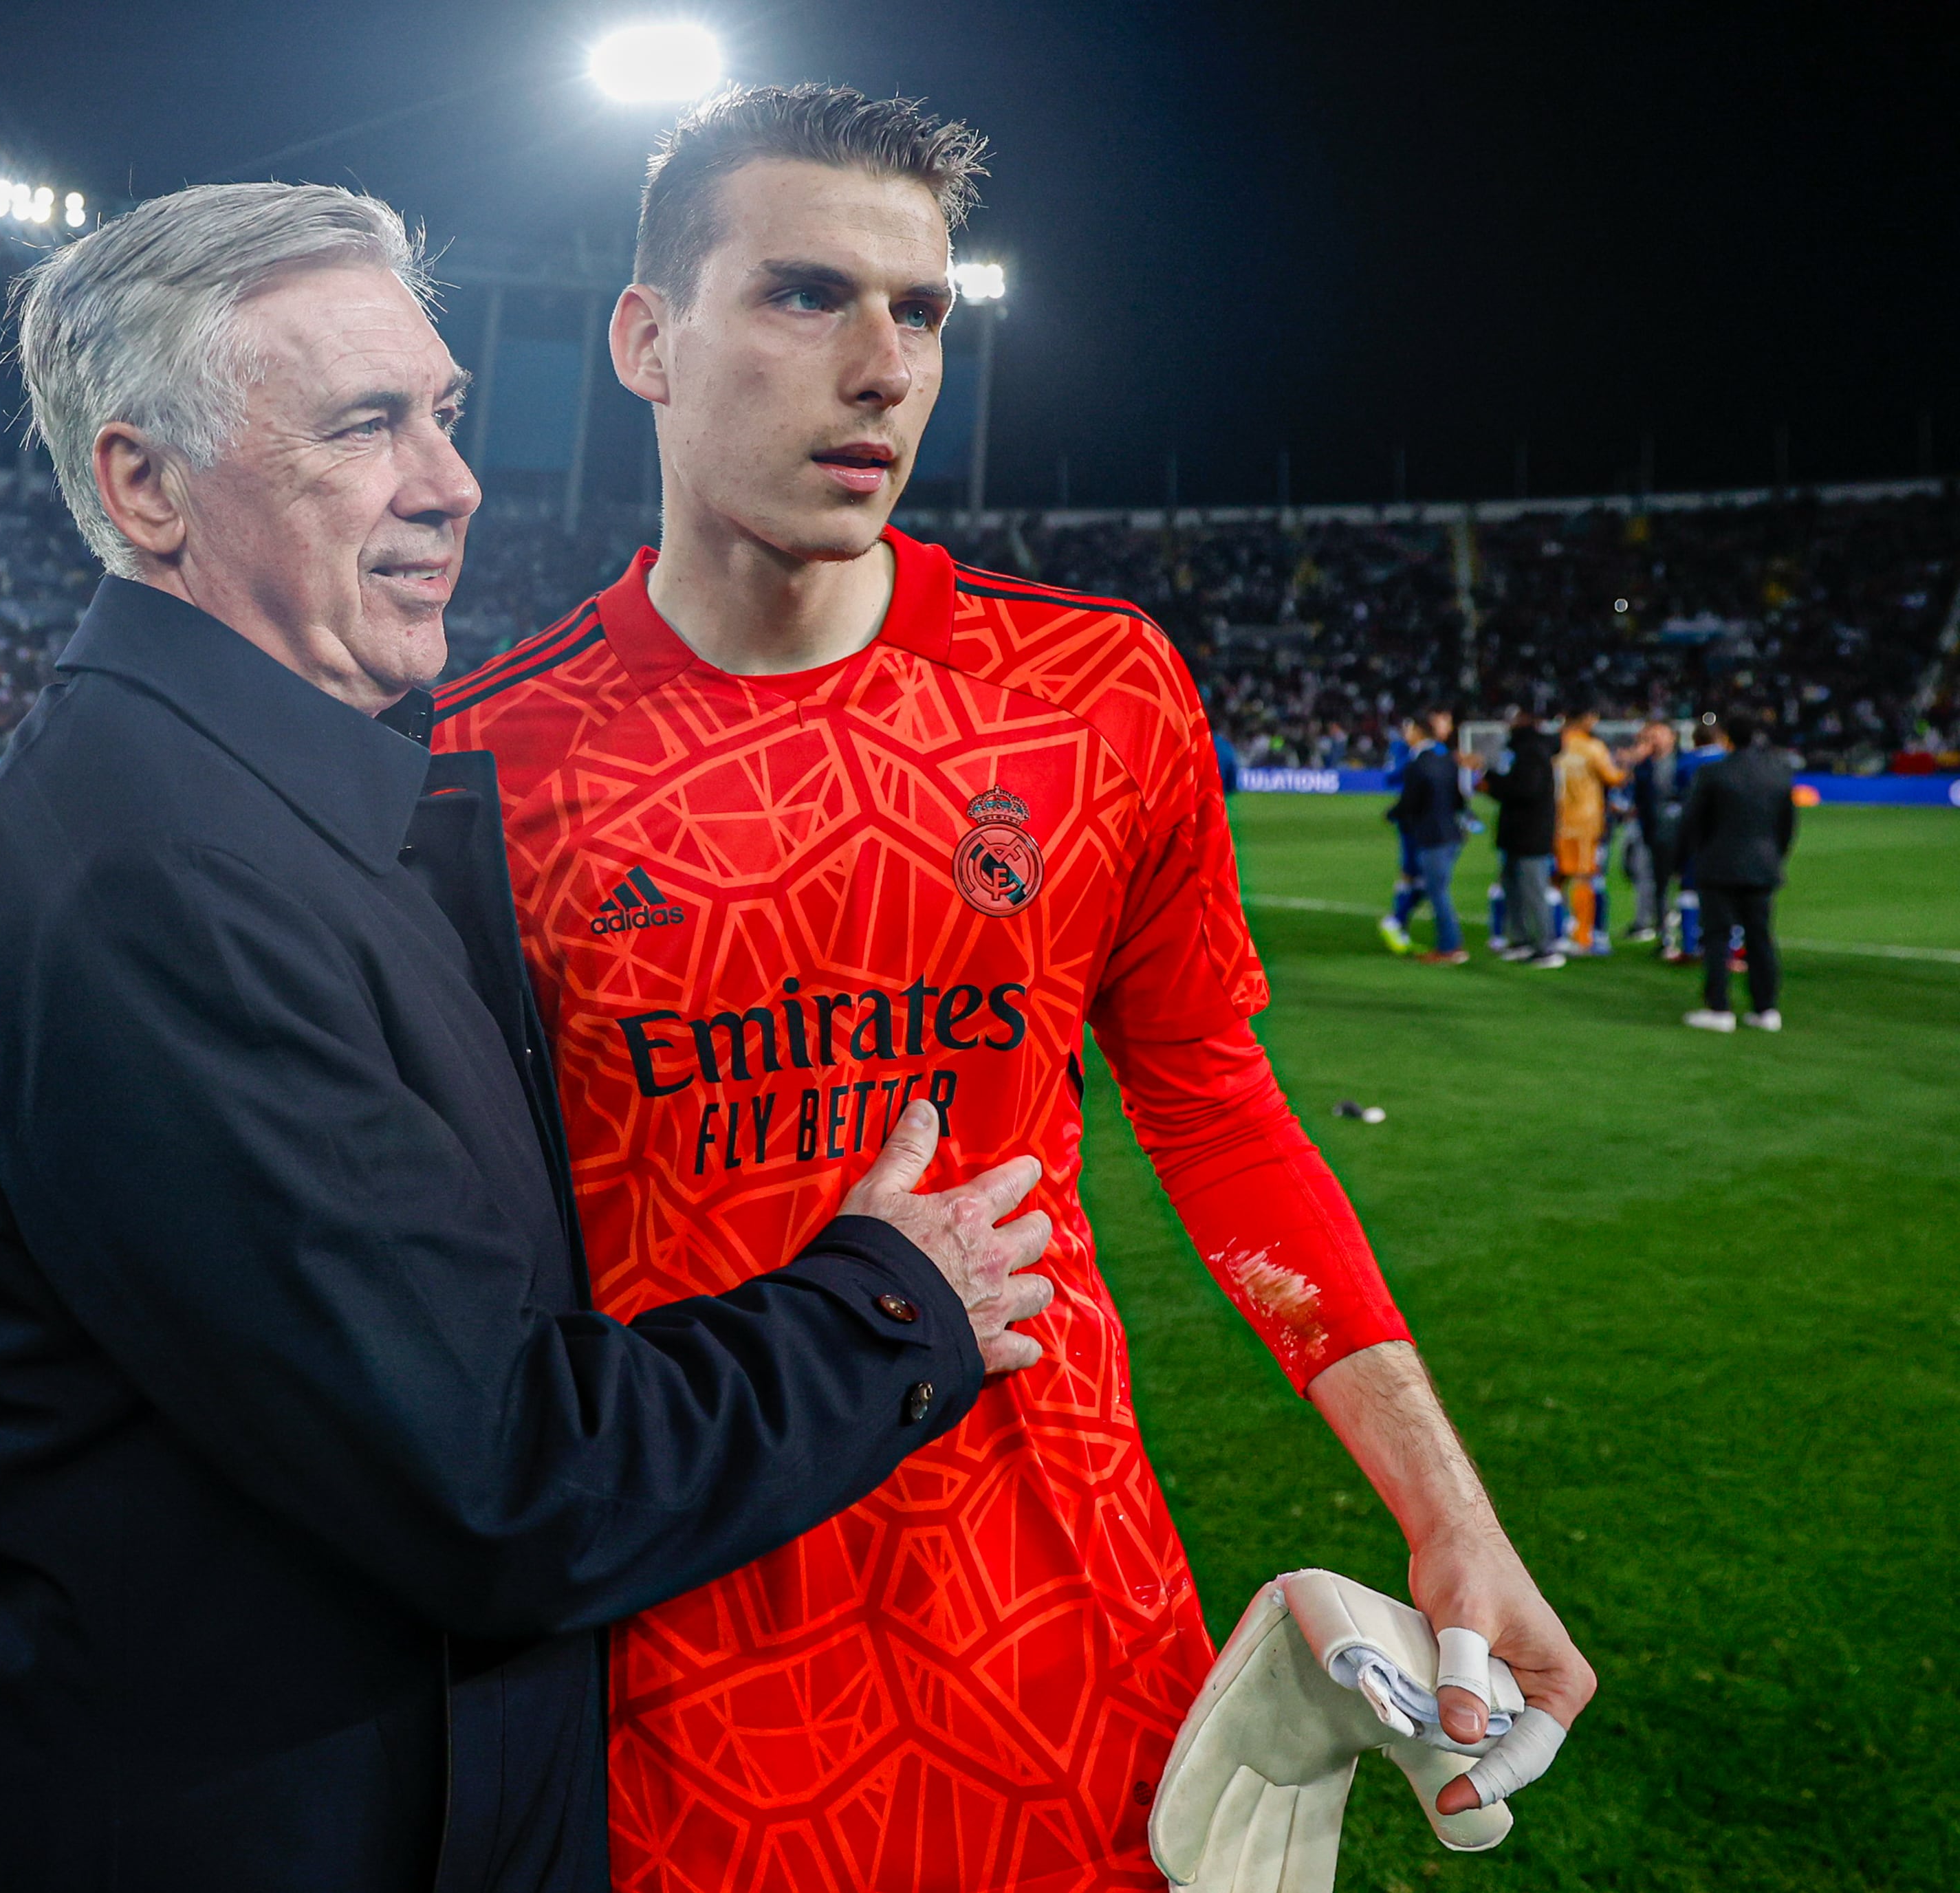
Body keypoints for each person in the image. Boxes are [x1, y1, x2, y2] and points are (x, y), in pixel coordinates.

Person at [0, 181, 1058, 1892]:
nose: (452, 483)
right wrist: (887, 1305)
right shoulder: (166, 870)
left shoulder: (262, 797)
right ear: (143, 485)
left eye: (443, 415)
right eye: (365, 426)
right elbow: (500, 1478)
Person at [433, 85, 1592, 1890]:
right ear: (647, 341)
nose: (886, 366)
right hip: (674, 1685)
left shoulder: (1097, 697)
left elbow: (1214, 1106)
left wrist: (1446, 1514)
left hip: (1069, 1635)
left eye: (924, 311)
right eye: (808, 294)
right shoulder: (472, 768)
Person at [1680, 709, 1796, 1031]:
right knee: (1760, 938)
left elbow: (1693, 822)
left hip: (1718, 867)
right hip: (1762, 867)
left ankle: (1719, 1009)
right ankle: (1766, 1009)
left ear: (1726, 738)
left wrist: (1692, 858)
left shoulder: (1713, 773)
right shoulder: (1779, 771)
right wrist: (1775, 856)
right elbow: (1786, 825)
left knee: (1717, 937)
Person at [1387, 708, 1471, 963]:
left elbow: (1409, 803)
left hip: (1433, 837)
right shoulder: (1447, 760)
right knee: (1435, 888)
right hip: (1453, 834)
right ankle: (1399, 922)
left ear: (1417, 732)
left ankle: (1450, 947)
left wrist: (1392, 815)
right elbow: (1459, 799)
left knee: (1437, 892)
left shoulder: (1417, 764)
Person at [1483, 710, 1562, 966]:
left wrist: (1492, 783)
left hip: (1530, 835)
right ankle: (1521, 941)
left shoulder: (1532, 752)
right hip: (1519, 834)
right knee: (1513, 889)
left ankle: (1546, 947)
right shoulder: (1527, 750)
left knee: (1533, 891)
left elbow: (1525, 791)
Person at [1551, 706, 1630, 955]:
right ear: (1587, 718)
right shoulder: (1592, 747)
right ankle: (1583, 937)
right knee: (1584, 878)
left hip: (1557, 819)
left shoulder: (1556, 745)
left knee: (1556, 878)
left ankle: (1554, 931)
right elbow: (1614, 777)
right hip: (1586, 822)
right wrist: (1630, 764)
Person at [1625, 716, 1686, 949]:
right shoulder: (1644, 766)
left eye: (1659, 734)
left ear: (1672, 736)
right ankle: (1663, 933)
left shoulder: (1683, 762)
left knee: (1686, 883)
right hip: (1652, 832)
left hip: (1681, 833)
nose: (1655, 740)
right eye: (1651, 736)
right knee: (1655, 881)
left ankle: (1690, 932)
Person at [1378, 715, 1424, 953]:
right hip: (1411, 822)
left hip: (1427, 822)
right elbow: (1391, 777)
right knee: (1413, 874)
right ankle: (1398, 922)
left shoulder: (1431, 751)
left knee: (1424, 878)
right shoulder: (1403, 750)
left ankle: (1397, 922)